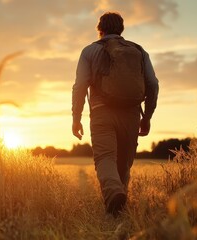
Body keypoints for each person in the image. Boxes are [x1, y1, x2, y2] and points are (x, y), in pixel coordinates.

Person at [71, 12, 159, 217]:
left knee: (105, 159)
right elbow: (153, 84)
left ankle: (114, 195)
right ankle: (118, 211)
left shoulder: (89, 51)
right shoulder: (138, 51)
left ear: (99, 29)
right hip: (131, 114)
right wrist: (147, 116)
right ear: (121, 29)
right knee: (124, 163)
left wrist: (76, 117)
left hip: (102, 113)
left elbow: (80, 86)